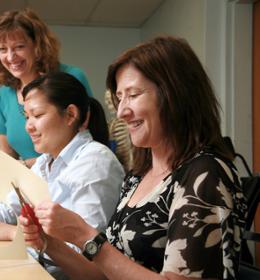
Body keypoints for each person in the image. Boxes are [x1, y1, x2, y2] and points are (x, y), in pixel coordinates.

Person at [21, 36, 247, 280]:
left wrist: (86, 236)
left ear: (175, 94)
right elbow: (104, 275)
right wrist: (50, 243)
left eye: (133, 95)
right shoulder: (138, 175)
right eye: (120, 98)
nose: (121, 112)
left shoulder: (206, 175)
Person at [0, 72, 124, 278]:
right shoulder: (45, 161)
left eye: (38, 115)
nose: (28, 126)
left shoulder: (95, 161)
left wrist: (13, 233)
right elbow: (8, 209)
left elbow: (88, 252)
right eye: (27, 117)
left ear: (70, 115)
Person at [0, 8, 93, 196]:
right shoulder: (4, 95)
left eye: (19, 47)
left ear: (37, 46)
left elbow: (87, 143)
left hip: (73, 190)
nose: (11, 57)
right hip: (31, 193)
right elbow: (8, 155)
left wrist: (23, 165)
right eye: (2, 49)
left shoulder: (71, 78)